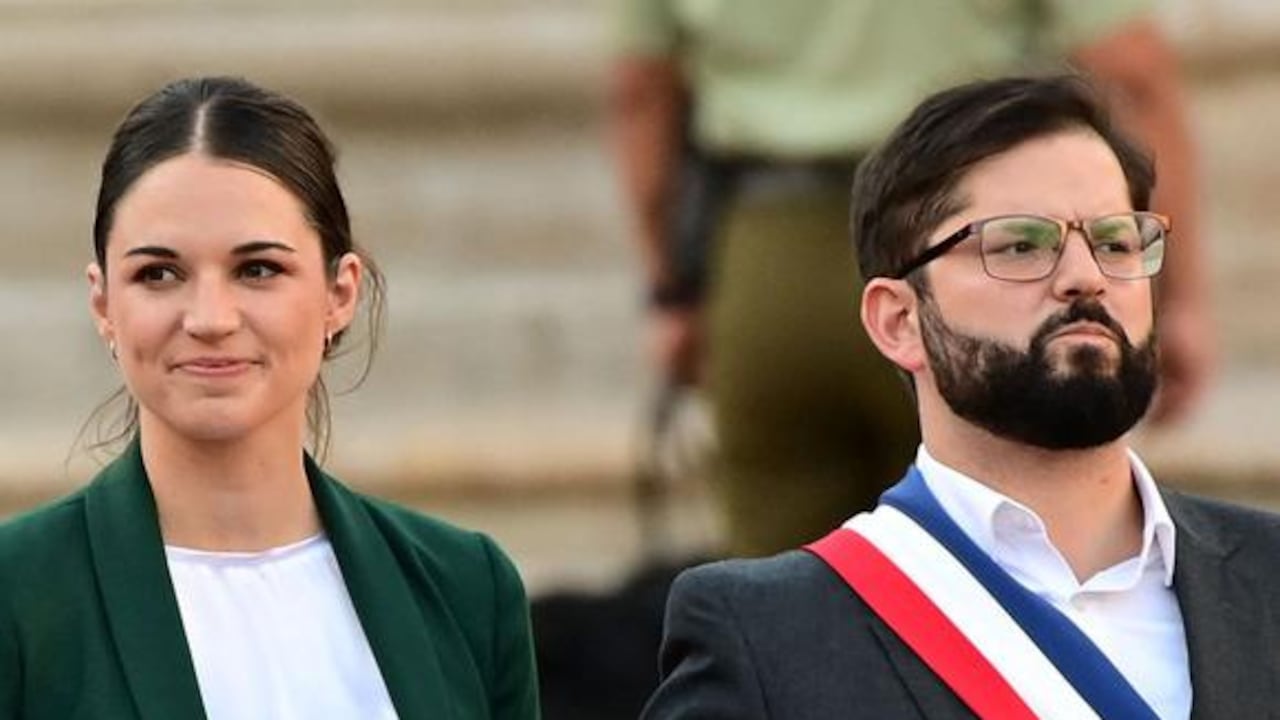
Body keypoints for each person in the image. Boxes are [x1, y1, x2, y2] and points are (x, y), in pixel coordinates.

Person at [641, 74, 1279, 719]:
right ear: (899, 321)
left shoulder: (1268, 575)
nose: (1086, 278)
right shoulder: (767, 638)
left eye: (1115, 241)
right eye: (1022, 245)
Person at [0, 77, 540, 719]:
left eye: (258, 269)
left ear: (340, 293)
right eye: (159, 274)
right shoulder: (19, 594)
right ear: (103, 303)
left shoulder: (466, 588)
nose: (210, 317)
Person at [611, 0, 1211, 558]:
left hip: (769, 253)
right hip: (979, 243)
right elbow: (1131, 70)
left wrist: (672, 289)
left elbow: (640, 90)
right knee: (1002, 568)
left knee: (780, 597)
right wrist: (1176, 293)